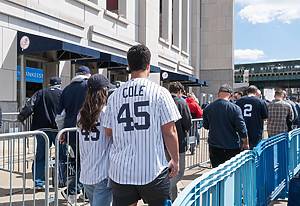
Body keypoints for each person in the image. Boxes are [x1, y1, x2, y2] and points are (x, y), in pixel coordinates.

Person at [102, 44, 181, 206]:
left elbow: (108, 131)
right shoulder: (160, 92)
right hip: (152, 168)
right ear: (148, 66)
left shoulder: (114, 96)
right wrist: (175, 159)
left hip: (120, 169)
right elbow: (170, 131)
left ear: (129, 66)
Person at [17, 77, 62, 189]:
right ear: (60, 84)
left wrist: (21, 117)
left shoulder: (40, 93)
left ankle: (39, 182)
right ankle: (61, 180)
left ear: (49, 84)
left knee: (40, 155)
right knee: (61, 156)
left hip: (42, 129)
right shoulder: (63, 94)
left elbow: (29, 106)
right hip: (59, 129)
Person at [77, 74, 113, 206]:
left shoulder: (81, 113)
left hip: (87, 172)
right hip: (103, 172)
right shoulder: (106, 111)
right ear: (104, 91)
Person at [58, 66, 91, 203]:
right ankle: (73, 190)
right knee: (86, 162)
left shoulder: (66, 89)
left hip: (69, 130)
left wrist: (62, 132)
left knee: (80, 161)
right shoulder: (89, 86)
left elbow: (60, 115)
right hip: (87, 130)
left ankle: (82, 192)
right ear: (88, 75)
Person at [203, 84, 249, 168]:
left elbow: (206, 126)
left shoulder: (208, 108)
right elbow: (241, 128)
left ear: (218, 94)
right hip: (231, 146)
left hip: (214, 145)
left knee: (216, 171)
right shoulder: (235, 108)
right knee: (231, 171)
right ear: (231, 95)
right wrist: (245, 143)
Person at [168, 82, 192, 201]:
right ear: (180, 91)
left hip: (162, 142)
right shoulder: (181, 102)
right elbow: (187, 123)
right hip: (178, 143)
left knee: (168, 172)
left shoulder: (163, 100)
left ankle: (172, 199)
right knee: (178, 172)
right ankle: (166, 191)